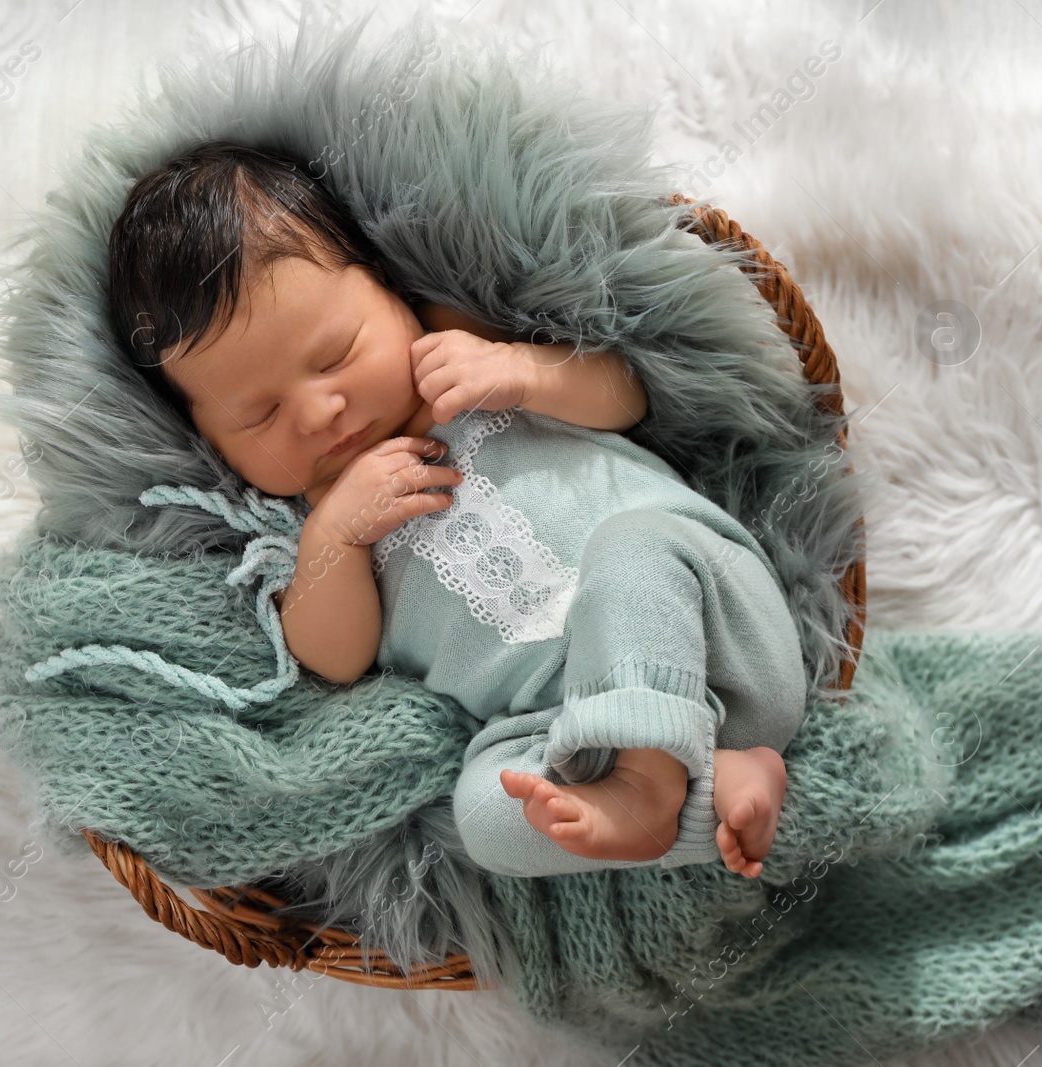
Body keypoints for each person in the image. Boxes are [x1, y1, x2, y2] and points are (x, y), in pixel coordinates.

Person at [106, 141, 807, 878]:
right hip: (565, 729)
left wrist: (526, 371)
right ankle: (710, 794)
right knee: (485, 813)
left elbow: (626, 396)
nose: (320, 410)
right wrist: (335, 538)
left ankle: (650, 785)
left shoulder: (465, 360)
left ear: (389, 291)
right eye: (260, 413)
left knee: (633, 551)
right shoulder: (301, 532)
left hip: (720, 627)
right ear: (208, 438)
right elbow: (334, 660)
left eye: (336, 354)